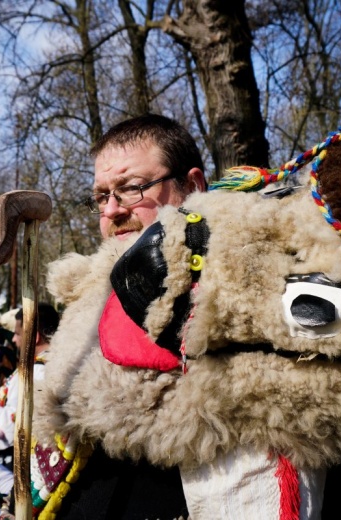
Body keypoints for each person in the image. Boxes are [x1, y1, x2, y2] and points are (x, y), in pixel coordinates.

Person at [44, 113, 206, 519]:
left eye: (132, 189)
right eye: (101, 196)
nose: (112, 211)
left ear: (193, 185)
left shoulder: (239, 291)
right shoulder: (89, 296)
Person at [0, 304, 60, 469]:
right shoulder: (58, 363)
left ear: (34, 337)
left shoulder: (33, 374)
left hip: (22, 461)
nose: (14, 339)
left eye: (17, 333)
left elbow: (13, 426)